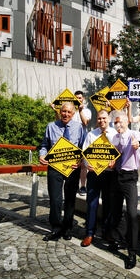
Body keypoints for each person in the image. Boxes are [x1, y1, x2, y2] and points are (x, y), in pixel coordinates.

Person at [39, 102, 87, 242]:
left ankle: (67, 229)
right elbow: (44, 146)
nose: (65, 114)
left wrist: (80, 161)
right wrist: (42, 155)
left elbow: (83, 147)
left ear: (73, 114)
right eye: (63, 111)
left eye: (69, 112)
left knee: (70, 200)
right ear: (60, 111)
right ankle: (55, 228)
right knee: (55, 199)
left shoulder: (79, 127)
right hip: (54, 167)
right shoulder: (51, 126)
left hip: (72, 169)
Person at [109, 110, 140, 270]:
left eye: (120, 122)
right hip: (116, 175)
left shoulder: (134, 134)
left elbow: (138, 144)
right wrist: (111, 162)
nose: (118, 125)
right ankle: (119, 239)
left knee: (132, 213)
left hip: (130, 177)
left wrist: (137, 144)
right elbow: (114, 156)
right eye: (115, 123)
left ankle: (132, 252)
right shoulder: (115, 137)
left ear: (127, 122)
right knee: (115, 210)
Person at [80, 109, 117, 247]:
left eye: (104, 118)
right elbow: (84, 153)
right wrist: (86, 164)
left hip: (109, 174)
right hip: (94, 174)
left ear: (109, 119)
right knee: (92, 204)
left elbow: (120, 152)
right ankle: (89, 233)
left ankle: (107, 232)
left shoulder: (115, 134)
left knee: (108, 204)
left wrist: (115, 163)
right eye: (99, 118)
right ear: (97, 120)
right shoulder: (91, 134)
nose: (102, 121)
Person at [50, 90, 92, 196]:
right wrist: (56, 111)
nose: (78, 99)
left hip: (81, 137)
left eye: (80, 97)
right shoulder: (68, 109)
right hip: (68, 137)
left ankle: (82, 186)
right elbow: (59, 120)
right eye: (76, 97)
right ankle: (71, 184)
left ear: (83, 99)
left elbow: (85, 123)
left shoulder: (86, 111)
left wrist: (80, 111)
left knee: (82, 164)